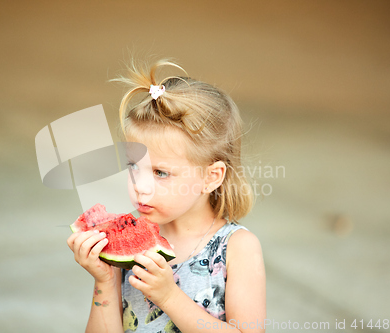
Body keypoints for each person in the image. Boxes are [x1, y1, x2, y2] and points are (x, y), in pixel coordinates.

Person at [67, 59, 266, 332]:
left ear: (211, 177)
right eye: (133, 166)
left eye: (160, 173)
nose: (141, 186)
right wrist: (104, 281)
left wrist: (169, 296)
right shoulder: (124, 256)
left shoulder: (237, 247)